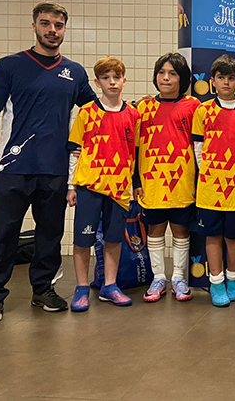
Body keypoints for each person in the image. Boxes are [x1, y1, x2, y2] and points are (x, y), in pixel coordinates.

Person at [0, 3, 97, 324]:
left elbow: (97, 111)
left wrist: (133, 109)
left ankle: (44, 289)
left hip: (55, 169)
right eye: (45, 24)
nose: (52, 30)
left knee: (50, 234)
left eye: (58, 25)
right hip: (12, 167)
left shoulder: (75, 72)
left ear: (65, 29)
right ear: (34, 26)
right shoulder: (10, 66)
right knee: (3, 235)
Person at [67, 57, 140, 311]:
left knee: (113, 239)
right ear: (97, 83)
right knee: (83, 239)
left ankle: (110, 285)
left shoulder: (133, 114)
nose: (112, 82)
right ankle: (81, 288)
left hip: (119, 188)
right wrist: (70, 186)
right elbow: (74, 150)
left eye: (116, 77)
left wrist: (135, 184)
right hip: (89, 186)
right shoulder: (87, 112)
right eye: (106, 78)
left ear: (124, 80)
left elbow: (135, 152)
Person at [133, 53, 200, 303]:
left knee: (181, 230)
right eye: (161, 72)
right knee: (155, 230)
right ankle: (159, 277)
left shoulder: (194, 107)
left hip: (183, 181)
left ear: (182, 79)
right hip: (151, 181)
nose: (166, 78)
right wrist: (136, 181)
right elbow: (135, 147)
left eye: (172, 73)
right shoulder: (143, 107)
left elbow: (201, 146)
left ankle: (179, 278)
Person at [192, 54, 235, 307]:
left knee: (233, 237)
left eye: (231, 78)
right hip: (209, 186)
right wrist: (208, 173)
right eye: (221, 77)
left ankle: (233, 280)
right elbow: (198, 148)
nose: (226, 82)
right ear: (213, 81)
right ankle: (216, 282)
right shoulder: (203, 110)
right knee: (212, 236)